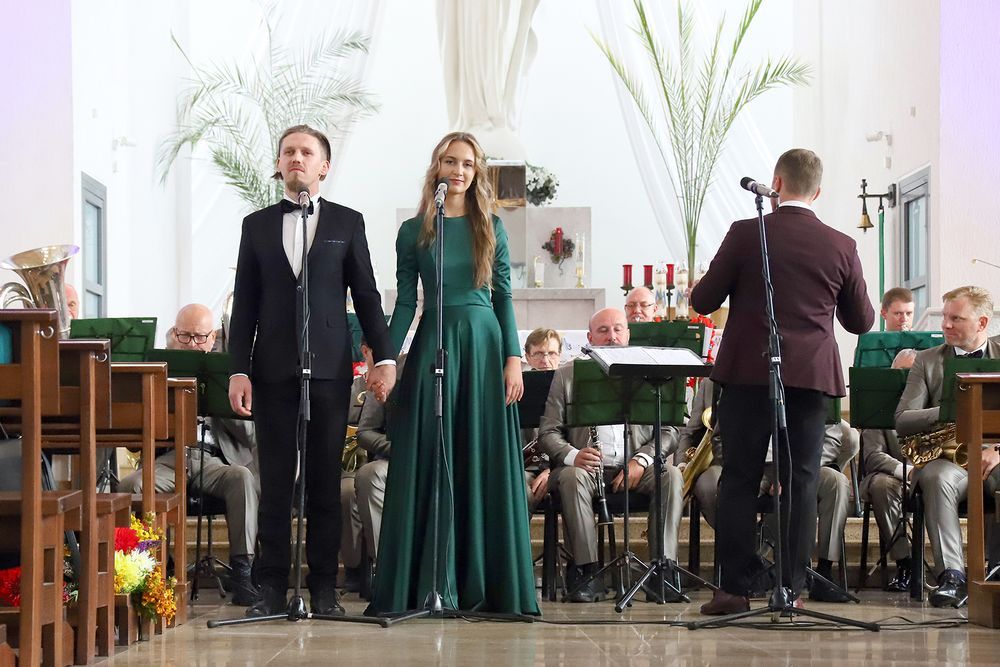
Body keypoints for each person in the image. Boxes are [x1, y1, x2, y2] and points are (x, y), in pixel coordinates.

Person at [691, 148, 874, 615]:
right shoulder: (840, 245)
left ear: (775, 183)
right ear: (818, 191)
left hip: (748, 374)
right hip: (811, 377)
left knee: (739, 478)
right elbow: (860, 322)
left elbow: (704, 300)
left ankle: (733, 590)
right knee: (802, 480)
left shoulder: (745, 232)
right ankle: (790, 589)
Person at [366, 132, 538, 616]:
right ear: (436, 167)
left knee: (480, 455)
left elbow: (503, 296)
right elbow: (406, 302)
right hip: (433, 345)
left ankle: (483, 583)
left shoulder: (491, 226)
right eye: (449, 161)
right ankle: (427, 581)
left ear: (476, 170)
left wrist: (513, 358)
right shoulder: (414, 231)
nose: (458, 170)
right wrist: (386, 358)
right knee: (428, 453)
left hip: (483, 345)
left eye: (466, 163)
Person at [227, 124, 395, 618]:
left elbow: (366, 294)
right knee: (276, 482)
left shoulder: (347, 221)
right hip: (272, 368)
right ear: (279, 164)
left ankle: (324, 586)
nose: (296, 158)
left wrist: (385, 358)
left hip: (328, 369)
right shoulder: (256, 225)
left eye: (306, 152)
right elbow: (245, 305)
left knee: (324, 481)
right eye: (288, 152)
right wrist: (238, 370)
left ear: (324, 166)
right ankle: (271, 586)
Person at [538, 308, 683, 603]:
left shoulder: (649, 374)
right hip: (587, 470)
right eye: (603, 330)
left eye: (618, 329)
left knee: (671, 474)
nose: (612, 336)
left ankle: (663, 570)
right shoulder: (568, 374)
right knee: (572, 477)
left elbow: (669, 429)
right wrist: (573, 455)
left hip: (636, 468)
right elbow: (548, 432)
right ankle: (586, 570)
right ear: (590, 337)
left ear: (627, 334)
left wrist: (641, 461)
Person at [121, 303, 260, 605]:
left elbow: (250, 436)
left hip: (215, 459)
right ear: (173, 333)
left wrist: (220, 399)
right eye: (184, 336)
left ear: (213, 338)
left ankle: (243, 572)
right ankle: (154, 567)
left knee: (242, 478)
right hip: (170, 458)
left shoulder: (231, 371)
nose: (192, 344)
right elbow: (134, 440)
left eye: (200, 337)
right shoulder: (158, 369)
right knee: (131, 485)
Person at [894, 285, 1000, 606]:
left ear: (982, 323)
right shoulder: (926, 360)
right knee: (936, 477)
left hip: (994, 456)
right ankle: (952, 577)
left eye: (956, 318)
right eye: (945, 317)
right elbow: (903, 419)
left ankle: (997, 570)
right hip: (950, 461)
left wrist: (997, 451)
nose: (946, 325)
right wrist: (947, 411)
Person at [522, 327, 562, 512]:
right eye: (538, 354)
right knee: (519, 489)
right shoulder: (517, 388)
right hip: (527, 468)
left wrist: (551, 471)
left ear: (560, 355)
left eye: (551, 353)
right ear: (527, 357)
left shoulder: (570, 387)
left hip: (563, 467)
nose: (545, 360)